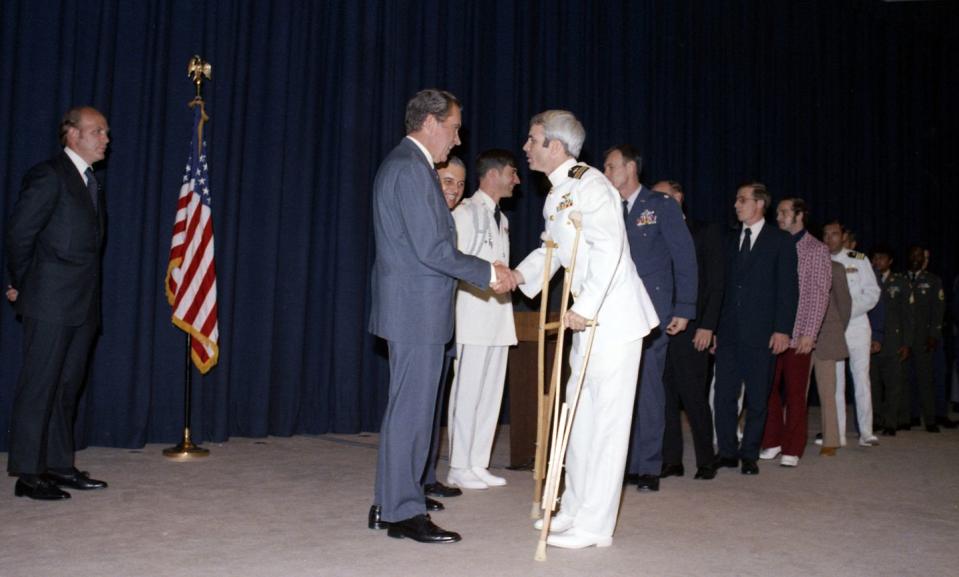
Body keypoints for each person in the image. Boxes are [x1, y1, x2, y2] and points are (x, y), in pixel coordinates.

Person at [366, 89, 514, 544]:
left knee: (407, 410)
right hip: (415, 310)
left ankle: (391, 500)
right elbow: (433, 250)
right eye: (453, 127)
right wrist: (488, 272)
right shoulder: (411, 169)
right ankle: (402, 512)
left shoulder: (407, 166)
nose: (457, 138)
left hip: (413, 307)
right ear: (430, 122)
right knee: (411, 412)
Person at [511, 110, 658, 549]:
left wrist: (586, 306)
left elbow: (610, 250)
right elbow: (552, 249)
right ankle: (573, 508)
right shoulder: (558, 194)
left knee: (607, 424)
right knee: (577, 417)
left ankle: (595, 526)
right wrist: (519, 276)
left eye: (532, 139)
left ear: (555, 146)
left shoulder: (592, 186)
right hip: (587, 318)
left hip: (612, 318)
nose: (526, 147)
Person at [4, 106, 110, 500]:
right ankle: (28, 474)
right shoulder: (50, 175)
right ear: (72, 135)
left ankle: (59, 464)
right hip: (48, 301)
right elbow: (19, 234)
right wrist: (22, 283)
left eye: (106, 132)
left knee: (67, 387)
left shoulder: (90, 182)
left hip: (82, 304)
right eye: (97, 131)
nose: (106, 139)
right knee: (39, 386)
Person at [603, 147, 697, 493]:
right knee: (617, 389)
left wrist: (684, 307)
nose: (606, 170)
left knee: (648, 388)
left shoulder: (660, 206)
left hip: (651, 313)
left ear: (630, 168)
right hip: (614, 311)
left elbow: (683, 257)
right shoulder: (607, 206)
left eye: (611, 165)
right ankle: (622, 464)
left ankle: (647, 466)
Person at [445, 149, 519, 490]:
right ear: (493, 175)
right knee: (468, 392)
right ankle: (459, 464)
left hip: (498, 317)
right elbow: (454, 261)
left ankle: (478, 462)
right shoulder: (466, 211)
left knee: (491, 393)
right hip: (472, 315)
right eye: (512, 173)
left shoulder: (501, 219)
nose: (517, 180)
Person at [713, 182, 798, 476]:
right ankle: (726, 451)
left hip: (763, 334)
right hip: (729, 333)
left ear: (759, 204)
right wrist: (713, 329)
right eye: (736, 200)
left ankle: (749, 453)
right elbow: (721, 288)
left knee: (758, 397)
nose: (736, 205)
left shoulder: (780, 241)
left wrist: (782, 329)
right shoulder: (730, 239)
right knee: (724, 394)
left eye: (742, 200)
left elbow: (788, 290)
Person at [655, 180, 723, 481]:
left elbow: (715, 284)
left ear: (678, 198)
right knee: (665, 395)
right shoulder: (653, 233)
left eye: (660, 197)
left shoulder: (705, 231)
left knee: (694, 396)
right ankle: (672, 460)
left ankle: (706, 460)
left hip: (693, 326)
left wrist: (708, 325)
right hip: (661, 327)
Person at [759, 198, 831, 468]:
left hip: (799, 332)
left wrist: (809, 332)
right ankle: (773, 440)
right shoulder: (774, 243)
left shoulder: (816, 249)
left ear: (800, 216)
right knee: (767, 389)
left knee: (795, 392)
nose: (778, 216)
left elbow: (819, 294)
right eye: (777, 212)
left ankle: (793, 446)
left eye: (784, 212)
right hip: (772, 332)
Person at [824, 221, 881, 447]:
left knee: (861, 379)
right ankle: (837, 434)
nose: (830, 239)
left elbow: (872, 293)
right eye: (826, 235)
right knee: (835, 382)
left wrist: (847, 312)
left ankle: (866, 432)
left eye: (835, 234)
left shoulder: (859, 259)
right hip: (832, 329)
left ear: (843, 236)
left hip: (857, 326)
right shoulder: (820, 259)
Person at [902, 245, 946, 432]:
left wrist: (934, 335)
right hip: (903, 338)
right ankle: (909, 416)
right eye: (912, 254)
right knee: (905, 378)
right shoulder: (899, 279)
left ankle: (930, 419)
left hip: (923, 337)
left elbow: (939, 310)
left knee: (925, 379)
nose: (915, 258)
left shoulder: (933, 280)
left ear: (924, 259)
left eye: (919, 256)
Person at [869, 245, 912, 435]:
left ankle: (891, 422)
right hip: (871, 339)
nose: (878, 261)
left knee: (893, 384)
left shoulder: (900, 282)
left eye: (882, 258)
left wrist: (906, 343)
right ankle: (876, 419)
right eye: (875, 258)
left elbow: (908, 315)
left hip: (894, 340)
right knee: (873, 383)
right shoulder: (868, 278)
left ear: (890, 261)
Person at [812, 260, 853, 456]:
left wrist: (835, 329)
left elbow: (845, 304)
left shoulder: (835, 267)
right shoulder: (796, 261)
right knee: (796, 391)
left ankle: (831, 440)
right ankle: (792, 438)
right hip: (800, 335)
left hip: (827, 336)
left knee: (828, 390)